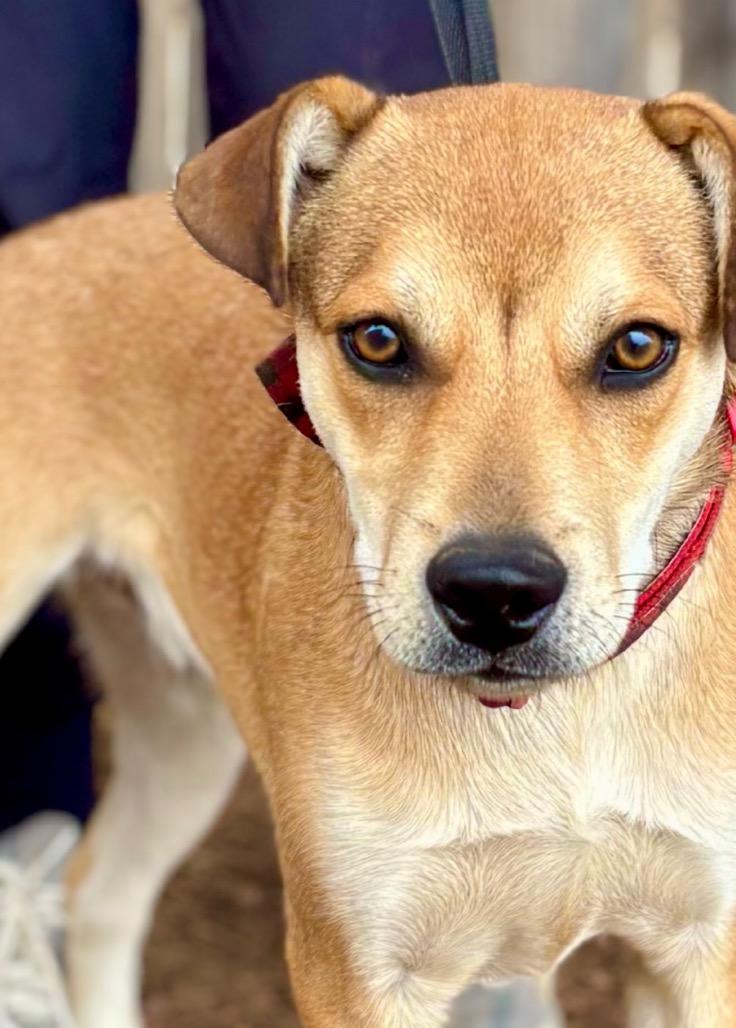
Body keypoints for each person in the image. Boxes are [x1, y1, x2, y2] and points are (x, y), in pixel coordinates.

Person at [0, 4, 557, 1025]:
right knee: (15, 160)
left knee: (385, 153)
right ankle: (16, 875)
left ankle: (493, 907)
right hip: (47, 349)